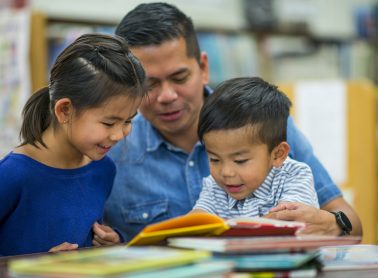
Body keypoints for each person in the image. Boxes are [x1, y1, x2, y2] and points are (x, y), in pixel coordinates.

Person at [103, 2, 362, 243]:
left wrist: (333, 223)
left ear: (203, 68)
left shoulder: (266, 124)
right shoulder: (109, 150)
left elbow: (354, 225)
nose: (167, 96)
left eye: (180, 77)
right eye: (149, 84)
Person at [0, 33, 146, 256]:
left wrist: (113, 242)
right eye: (109, 122)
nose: (119, 135)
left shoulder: (104, 170)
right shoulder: (13, 174)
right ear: (64, 110)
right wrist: (33, 266)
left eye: (128, 121)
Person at [192, 77, 319, 217]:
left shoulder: (295, 175)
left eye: (240, 161)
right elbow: (198, 218)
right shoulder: (213, 186)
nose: (226, 172)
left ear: (277, 154)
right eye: (215, 159)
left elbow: (285, 220)